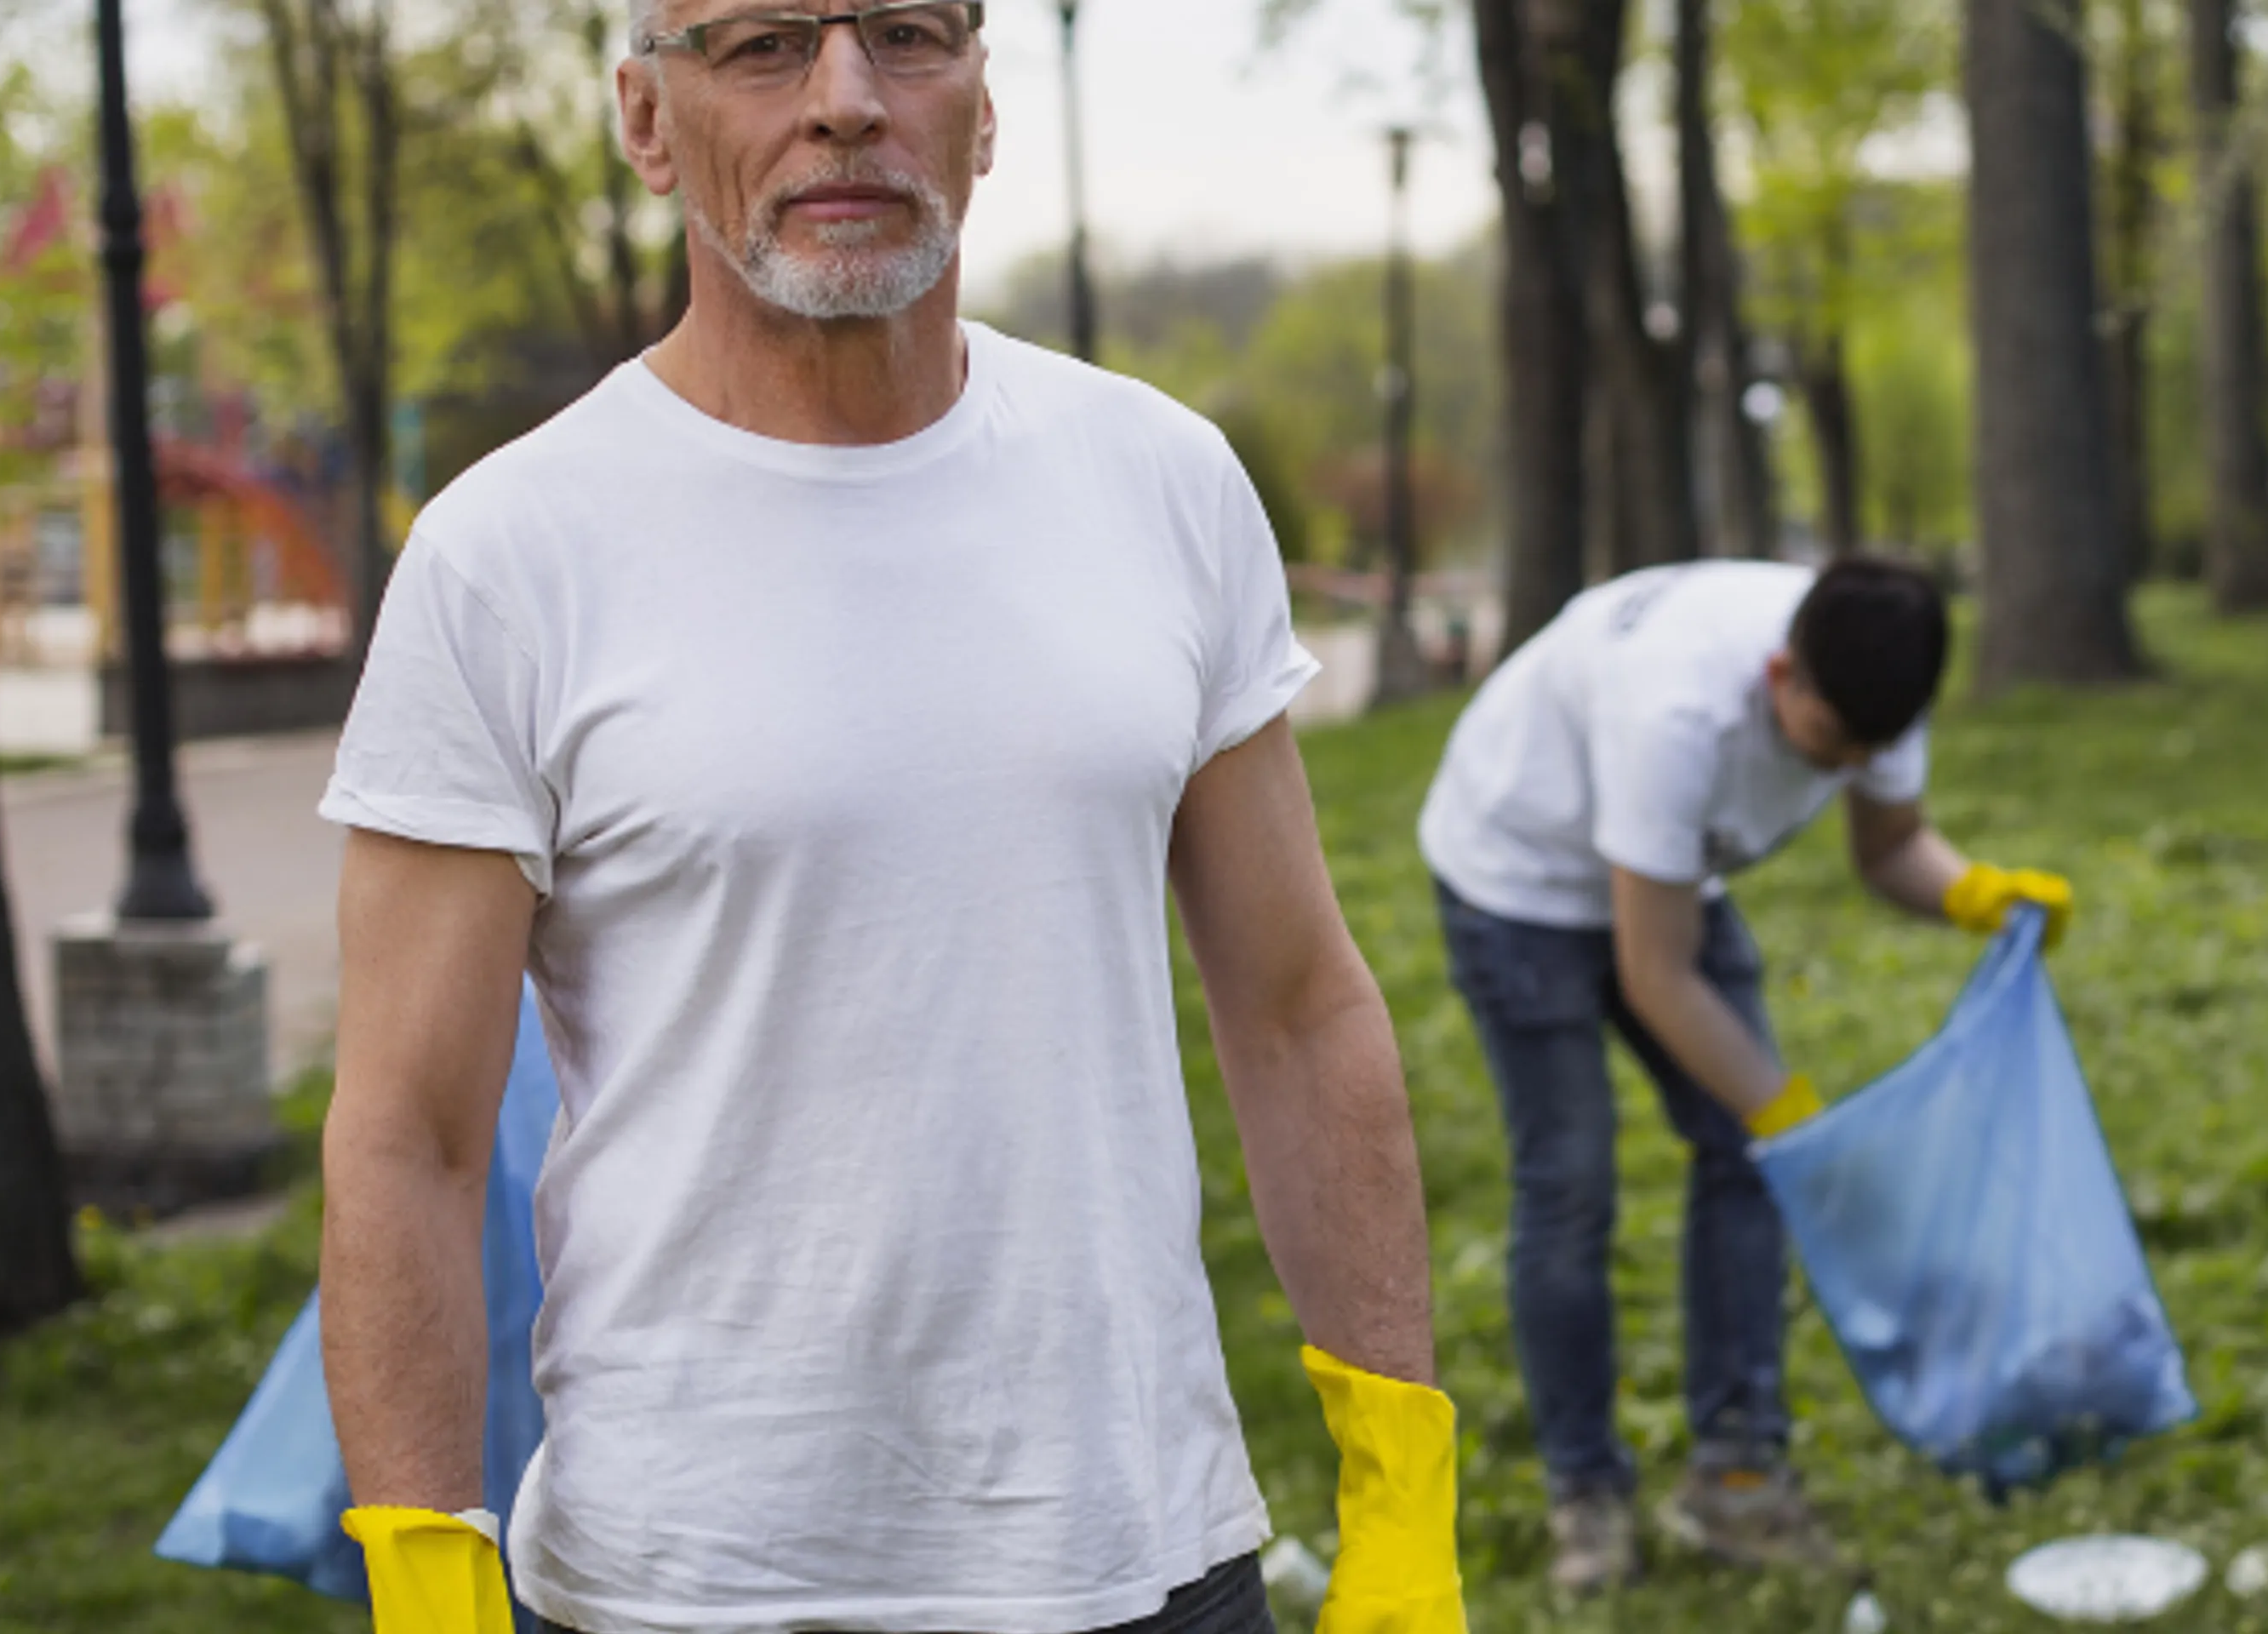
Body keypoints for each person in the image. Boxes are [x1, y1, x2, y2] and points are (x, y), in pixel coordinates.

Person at [312, 3, 1465, 1631]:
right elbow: (408, 1141)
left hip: (1144, 1553)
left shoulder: (1162, 481)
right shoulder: (510, 554)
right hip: (693, 1584)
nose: (847, 102)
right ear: (648, 122)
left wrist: (1402, 1494)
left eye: (908, 35)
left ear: (982, 111)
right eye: (768, 45)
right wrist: (430, 1578)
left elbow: (1298, 1014)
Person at [1413, 554, 2073, 1592]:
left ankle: (1736, 1481)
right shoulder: (1679, 713)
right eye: (1829, 744)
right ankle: (1586, 1495)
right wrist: (1784, 1107)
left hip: (1668, 879)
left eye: (1872, 750)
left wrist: (1974, 894)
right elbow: (1657, 973)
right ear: (1781, 677)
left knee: (1751, 1156)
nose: (1848, 764)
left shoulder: (1874, 675)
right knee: (1572, 1180)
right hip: (1520, 878)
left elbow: (1890, 845)